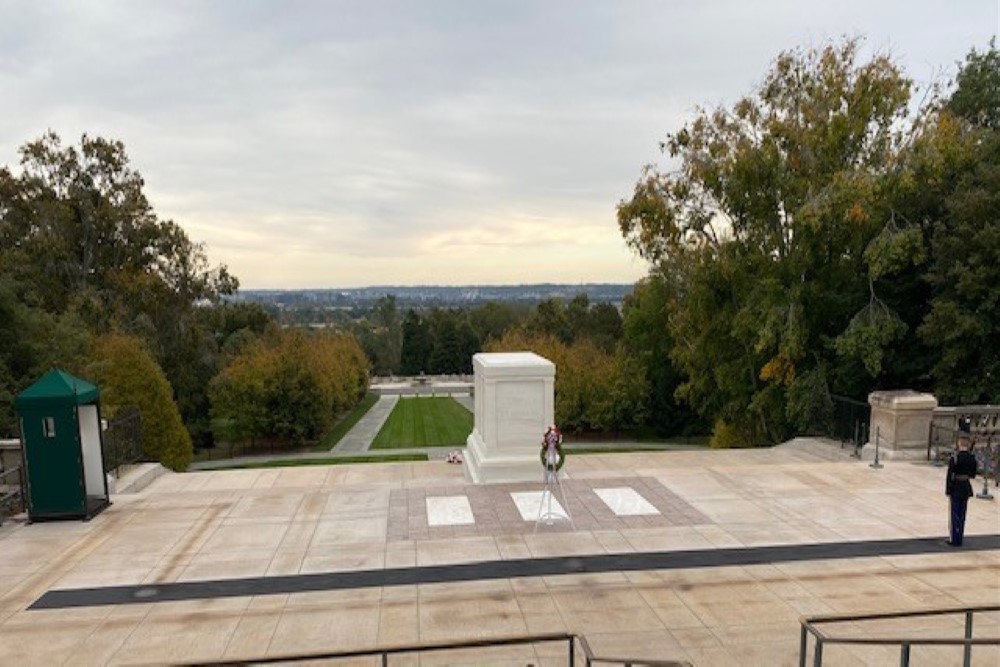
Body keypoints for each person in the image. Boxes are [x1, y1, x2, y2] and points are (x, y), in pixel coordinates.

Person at [945, 436, 977, 546]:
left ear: (959, 444)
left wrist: (948, 490)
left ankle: (954, 539)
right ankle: (960, 537)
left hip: (956, 487)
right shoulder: (972, 458)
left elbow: (950, 475)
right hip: (966, 487)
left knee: (955, 514)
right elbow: (973, 475)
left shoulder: (955, 458)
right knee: (962, 514)